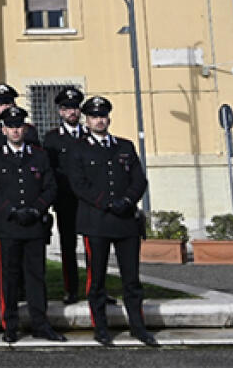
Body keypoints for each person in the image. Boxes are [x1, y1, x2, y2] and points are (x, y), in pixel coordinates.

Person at [67, 96, 157, 347]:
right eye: (94, 116)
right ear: (87, 119)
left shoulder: (124, 146)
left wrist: (127, 201)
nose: (99, 120)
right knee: (96, 279)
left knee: (132, 279)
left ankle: (138, 327)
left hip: (126, 222)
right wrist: (106, 203)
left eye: (103, 116)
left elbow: (139, 180)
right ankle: (101, 328)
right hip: (96, 222)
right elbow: (78, 184)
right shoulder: (79, 149)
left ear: (109, 118)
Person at [0, 105, 65, 343]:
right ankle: (10, 325)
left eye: (19, 126)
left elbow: (50, 186)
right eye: (11, 127)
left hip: (34, 225)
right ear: (3, 130)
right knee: (8, 277)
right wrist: (11, 210)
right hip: (8, 225)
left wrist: (36, 208)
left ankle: (40, 323)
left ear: (25, 128)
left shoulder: (39, 155)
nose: (15, 131)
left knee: (35, 277)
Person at [41, 86, 87, 305]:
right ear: (60, 112)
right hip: (65, 200)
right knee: (68, 246)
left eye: (75, 108)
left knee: (93, 247)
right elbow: (48, 171)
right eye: (67, 108)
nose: (72, 112)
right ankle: (71, 289)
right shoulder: (52, 139)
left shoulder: (89, 136)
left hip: (89, 201)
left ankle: (95, 287)